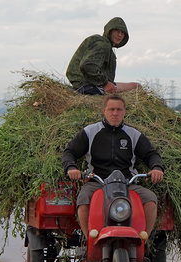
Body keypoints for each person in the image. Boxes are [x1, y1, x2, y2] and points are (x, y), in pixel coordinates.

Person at [62, 94, 164, 242]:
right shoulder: (90, 132)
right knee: (83, 199)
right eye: (111, 109)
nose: (115, 113)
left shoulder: (133, 134)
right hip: (97, 182)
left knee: (150, 199)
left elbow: (151, 154)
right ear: (104, 111)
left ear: (124, 112)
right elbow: (69, 152)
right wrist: (71, 168)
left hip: (127, 184)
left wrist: (156, 168)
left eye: (118, 109)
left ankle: (143, 241)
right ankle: (89, 239)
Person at [66, 16, 141, 95]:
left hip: (90, 84)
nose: (119, 35)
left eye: (122, 33)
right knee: (136, 87)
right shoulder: (103, 44)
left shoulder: (105, 45)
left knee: (136, 86)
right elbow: (87, 65)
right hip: (88, 86)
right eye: (116, 30)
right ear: (109, 31)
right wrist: (105, 83)